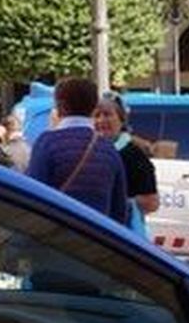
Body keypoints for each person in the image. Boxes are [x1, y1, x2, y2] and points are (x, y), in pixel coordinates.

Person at [27, 76, 128, 225]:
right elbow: (119, 210)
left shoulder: (47, 143)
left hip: (53, 238)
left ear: (60, 106)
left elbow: (33, 196)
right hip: (96, 239)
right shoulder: (108, 150)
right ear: (94, 107)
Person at [93, 91, 159, 236]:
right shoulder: (90, 151)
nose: (101, 120)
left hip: (124, 237)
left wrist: (117, 202)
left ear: (122, 120)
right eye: (96, 115)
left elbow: (152, 202)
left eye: (107, 114)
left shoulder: (134, 155)